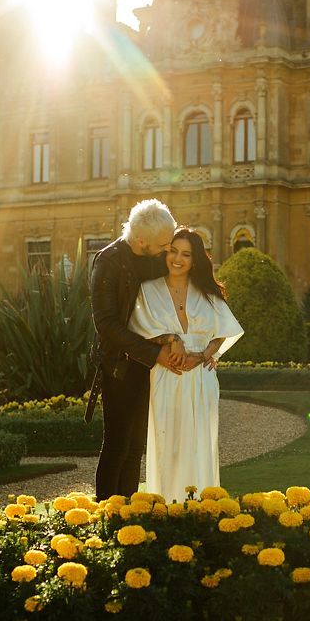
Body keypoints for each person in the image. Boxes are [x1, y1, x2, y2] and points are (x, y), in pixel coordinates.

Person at [129, 227, 244, 502]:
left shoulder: (206, 292)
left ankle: (204, 508)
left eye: (186, 254)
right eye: (173, 251)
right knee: (169, 446)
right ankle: (167, 507)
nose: (177, 259)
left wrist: (205, 355)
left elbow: (224, 332)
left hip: (201, 378)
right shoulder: (148, 290)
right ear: (165, 253)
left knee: (200, 446)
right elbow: (137, 330)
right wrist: (171, 339)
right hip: (166, 374)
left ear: (195, 259)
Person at [87, 199, 186, 500]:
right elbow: (106, 325)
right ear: (141, 240)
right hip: (119, 366)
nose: (167, 250)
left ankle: (127, 510)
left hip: (147, 366)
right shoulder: (108, 262)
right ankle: (107, 514)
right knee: (117, 445)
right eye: (163, 244)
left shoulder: (154, 253)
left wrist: (176, 337)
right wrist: (154, 353)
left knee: (135, 448)